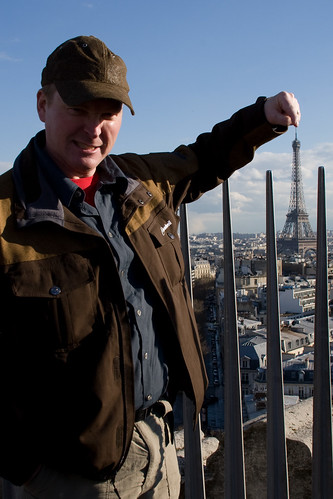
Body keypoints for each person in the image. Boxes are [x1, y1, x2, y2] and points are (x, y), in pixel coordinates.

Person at [0, 35, 300, 499]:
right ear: (42, 105)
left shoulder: (138, 183)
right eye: (79, 109)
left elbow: (204, 159)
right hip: (68, 474)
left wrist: (260, 119)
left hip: (160, 444)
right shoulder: (7, 218)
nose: (94, 128)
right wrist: (26, 464)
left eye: (109, 113)